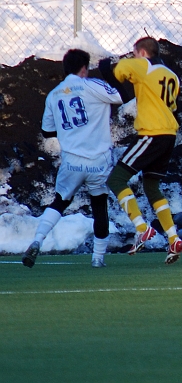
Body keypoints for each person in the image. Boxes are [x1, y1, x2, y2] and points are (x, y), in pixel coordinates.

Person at [22, 49, 123, 269]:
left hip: (72, 161)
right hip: (99, 159)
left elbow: (48, 131)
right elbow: (120, 95)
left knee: (59, 202)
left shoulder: (54, 94)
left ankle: (37, 240)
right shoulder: (93, 86)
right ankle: (97, 258)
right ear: (84, 68)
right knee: (99, 205)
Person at [98, 37, 182, 264]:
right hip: (169, 135)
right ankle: (174, 238)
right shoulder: (172, 76)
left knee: (116, 179)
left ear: (142, 52)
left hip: (152, 133)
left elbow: (118, 72)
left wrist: (106, 65)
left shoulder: (143, 64)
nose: (133, 56)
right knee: (152, 186)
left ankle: (141, 227)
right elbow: (172, 106)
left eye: (134, 53)